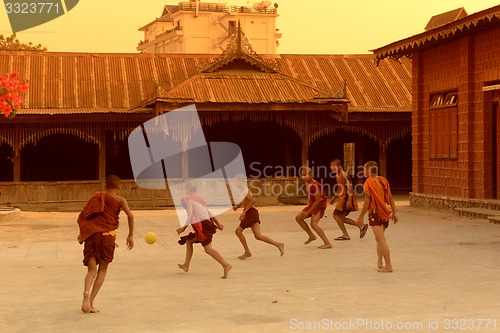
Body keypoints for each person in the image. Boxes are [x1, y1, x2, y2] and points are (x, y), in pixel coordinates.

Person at [77, 175, 134, 313]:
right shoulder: (120, 200)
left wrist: (82, 233)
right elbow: (131, 216)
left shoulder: (96, 197)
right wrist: (130, 235)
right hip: (108, 237)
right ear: (119, 188)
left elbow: (84, 215)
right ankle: (90, 302)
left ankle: (86, 291)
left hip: (92, 236)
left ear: (105, 186)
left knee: (91, 271)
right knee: (102, 270)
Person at [176, 183, 232, 279]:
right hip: (207, 225)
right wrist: (218, 224)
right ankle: (186, 265)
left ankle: (225, 264)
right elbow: (209, 213)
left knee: (208, 249)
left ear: (187, 190)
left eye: (186, 190)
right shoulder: (199, 200)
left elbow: (190, 216)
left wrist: (183, 228)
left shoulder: (190, 200)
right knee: (189, 241)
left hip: (203, 227)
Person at [356, 161, 398, 272]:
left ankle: (388, 266)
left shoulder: (369, 182)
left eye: (364, 169)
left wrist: (361, 216)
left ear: (368, 170)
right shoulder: (383, 180)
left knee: (381, 240)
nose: (364, 172)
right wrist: (394, 212)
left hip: (376, 213)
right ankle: (380, 261)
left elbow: (367, 201)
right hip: (385, 213)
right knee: (379, 239)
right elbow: (390, 197)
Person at [233, 174, 285, 260]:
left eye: (236, 181)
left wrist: (244, 212)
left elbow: (253, 200)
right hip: (252, 213)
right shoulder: (242, 190)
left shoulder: (245, 190)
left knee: (238, 231)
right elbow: (245, 201)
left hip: (250, 213)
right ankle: (279, 244)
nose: (235, 184)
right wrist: (238, 206)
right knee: (258, 236)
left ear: (241, 181)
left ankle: (247, 252)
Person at [329, 159, 368, 240]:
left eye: (334, 166)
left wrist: (349, 200)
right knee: (341, 217)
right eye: (331, 166)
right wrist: (334, 198)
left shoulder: (344, 175)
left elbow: (349, 187)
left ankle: (346, 234)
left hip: (345, 198)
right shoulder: (337, 175)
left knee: (336, 215)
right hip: (341, 198)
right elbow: (340, 188)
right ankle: (361, 225)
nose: (332, 168)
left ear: (339, 166)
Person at [295, 167, 332, 249]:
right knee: (298, 218)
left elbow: (318, 200)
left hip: (319, 205)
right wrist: (308, 209)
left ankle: (327, 243)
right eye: (302, 175)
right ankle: (311, 236)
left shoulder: (315, 186)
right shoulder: (307, 183)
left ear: (311, 175)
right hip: (312, 204)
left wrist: (309, 212)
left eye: (305, 175)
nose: (303, 177)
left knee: (314, 224)